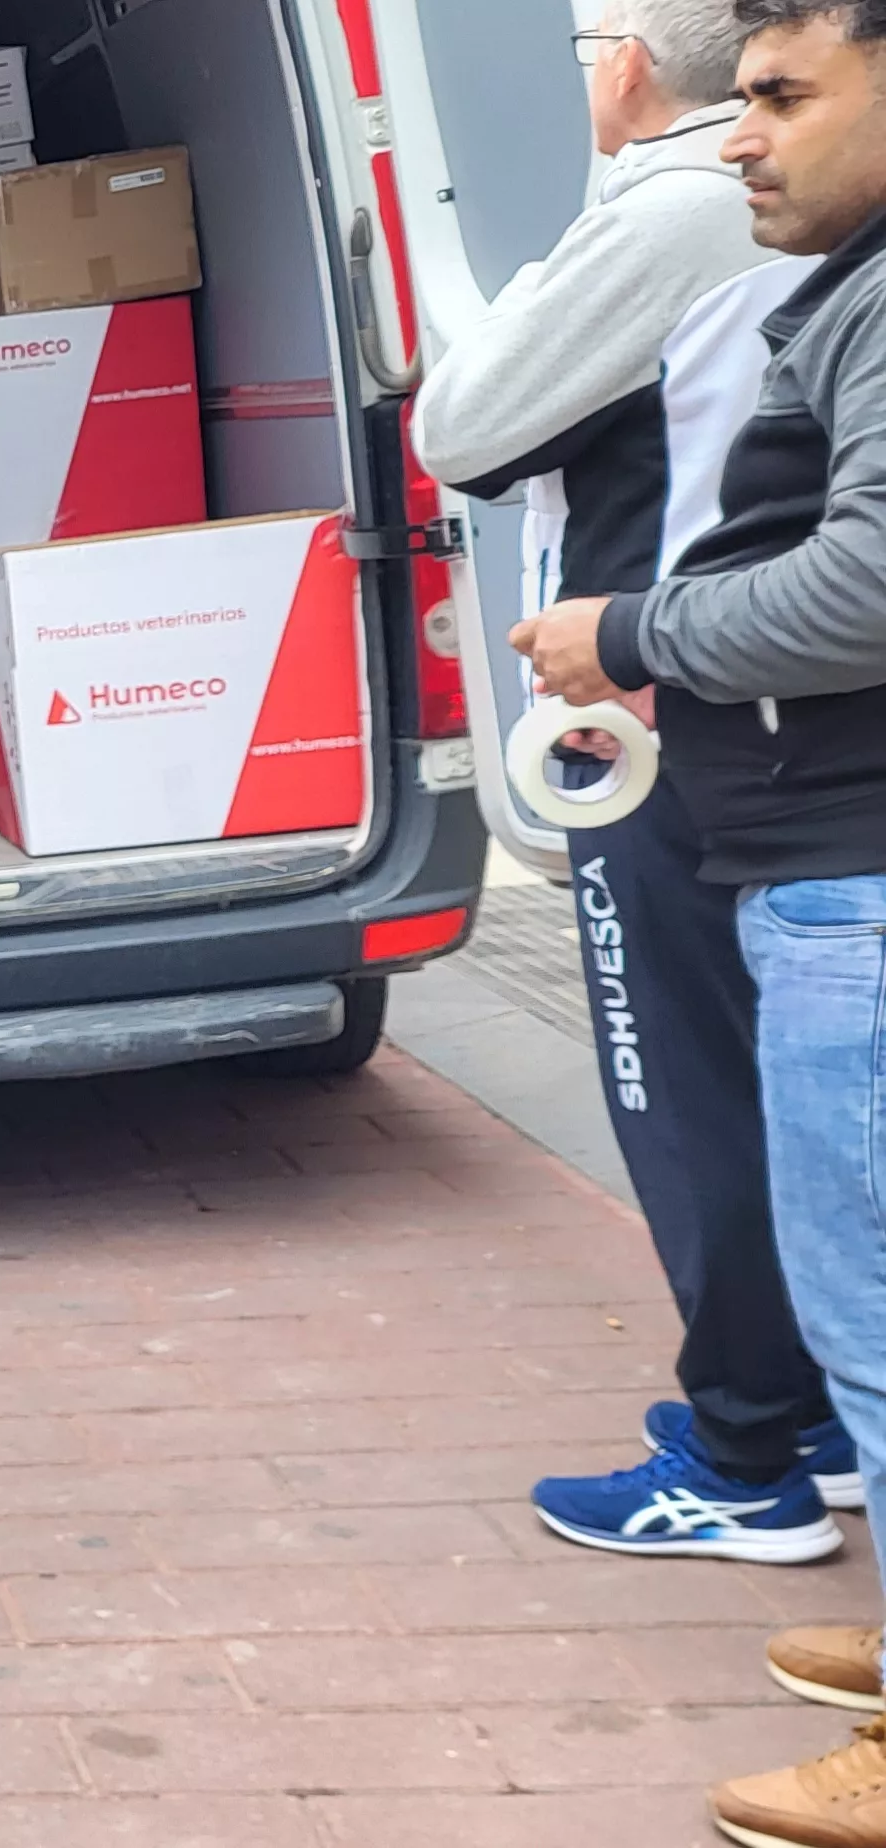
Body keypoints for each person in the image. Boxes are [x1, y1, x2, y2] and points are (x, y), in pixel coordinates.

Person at [510, 1, 886, 1836]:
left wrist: (634, 635)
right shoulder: (835, 276)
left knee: (872, 1298)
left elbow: (871, 579)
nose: (745, 140)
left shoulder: (821, 278)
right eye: (743, 101)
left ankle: (778, 1502)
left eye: (786, 100)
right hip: (816, 841)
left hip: (847, 862)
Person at [416, 0, 849, 1566]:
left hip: (650, 716)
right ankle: (805, 1408)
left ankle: (752, 1454)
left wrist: (542, 276)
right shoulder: (809, 223)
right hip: (771, 716)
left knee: (682, 1080)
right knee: (773, 1075)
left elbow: (460, 425)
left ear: (617, 69)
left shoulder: (669, 210)